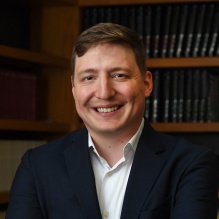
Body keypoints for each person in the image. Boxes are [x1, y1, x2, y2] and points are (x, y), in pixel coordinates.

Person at [6, 23, 218, 219]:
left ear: (146, 83)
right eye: (89, 78)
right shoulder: (37, 166)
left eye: (118, 75)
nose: (104, 93)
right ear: (73, 89)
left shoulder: (191, 164)